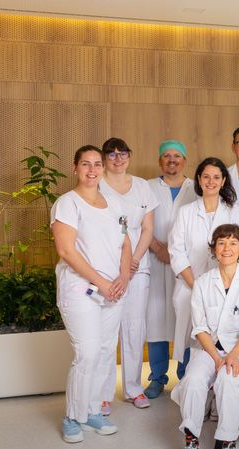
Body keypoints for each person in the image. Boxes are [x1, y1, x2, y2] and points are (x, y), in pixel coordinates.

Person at [52, 145, 131, 443]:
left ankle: (93, 410)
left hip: (114, 290)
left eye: (97, 164)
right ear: (75, 168)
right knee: (87, 353)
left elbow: (125, 243)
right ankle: (73, 416)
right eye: (85, 164)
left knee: (105, 352)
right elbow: (66, 251)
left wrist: (123, 277)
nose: (92, 169)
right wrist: (102, 283)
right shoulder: (67, 204)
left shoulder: (115, 204)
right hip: (81, 289)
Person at [172, 224, 239, 449]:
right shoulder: (202, 283)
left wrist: (231, 356)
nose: (227, 248)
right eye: (221, 243)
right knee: (192, 380)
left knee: (228, 380)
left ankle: (228, 444)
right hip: (209, 349)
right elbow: (200, 326)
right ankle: (191, 444)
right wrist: (216, 357)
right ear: (213, 249)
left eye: (233, 243)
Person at [169, 157, 239, 375]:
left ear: (223, 181)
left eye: (216, 177)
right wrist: (197, 286)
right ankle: (187, 380)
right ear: (198, 180)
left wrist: (227, 286)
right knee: (191, 334)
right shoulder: (186, 212)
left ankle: (221, 380)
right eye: (206, 177)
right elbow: (176, 251)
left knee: (222, 334)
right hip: (190, 285)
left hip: (225, 288)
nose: (211, 182)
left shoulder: (235, 212)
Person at [98, 138, 158, 413]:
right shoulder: (97, 184)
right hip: (107, 265)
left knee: (134, 328)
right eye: (112, 154)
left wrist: (133, 261)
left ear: (129, 156)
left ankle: (134, 388)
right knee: (107, 330)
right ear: (104, 158)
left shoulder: (142, 186)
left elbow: (147, 229)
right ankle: (103, 394)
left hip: (137, 265)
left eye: (123, 153)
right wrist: (121, 265)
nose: (118, 158)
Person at [144, 140, 197, 398]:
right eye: (167, 156)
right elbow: (138, 222)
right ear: (160, 161)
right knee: (155, 319)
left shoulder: (196, 188)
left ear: (184, 161)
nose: (172, 160)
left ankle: (186, 375)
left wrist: (176, 253)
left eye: (177, 156)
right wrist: (157, 247)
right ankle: (157, 377)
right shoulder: (147, 187)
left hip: (186, 265)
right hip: (154, 261)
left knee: (186, 320)